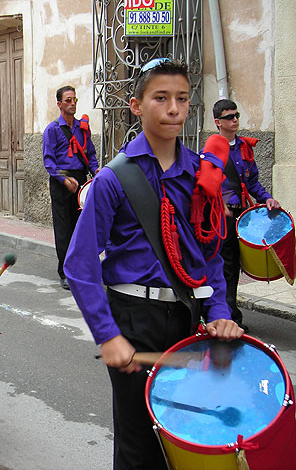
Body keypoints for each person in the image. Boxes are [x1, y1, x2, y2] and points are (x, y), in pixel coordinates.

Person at [64, 59, 244, 470]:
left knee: (185, 434)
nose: (174, 108)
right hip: (133, 317)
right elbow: (80, 264)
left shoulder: (201, 175)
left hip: (187, 317)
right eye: (160, 98)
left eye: (181, 99)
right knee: (138, 446)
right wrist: (108, 335)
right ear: (137, 105)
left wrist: (219, 313)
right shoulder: (112, 179)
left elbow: (210, 256)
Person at [213, 99, 280, 331]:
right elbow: (209, 184)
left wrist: (267, 198)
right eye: (229, 117)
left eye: (236, 115)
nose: (235, 120)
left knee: (237, 264)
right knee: (226, 266)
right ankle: (228, 316)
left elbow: (252, 182)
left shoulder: (244, 147)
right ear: (217, 122)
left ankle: (229, 312)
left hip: (243, 214)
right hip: (223, 215)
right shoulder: (212, 148)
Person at [42, 86, 99, 290]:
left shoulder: (82, 128)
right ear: (59, 104)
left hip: (80, 180)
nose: (72, 103)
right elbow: (49, 162)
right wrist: (64, 179)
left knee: (80, 228)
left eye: (74, 99)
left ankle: (80, 268)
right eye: (68, 100)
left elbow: (90, 155)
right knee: (64, 228)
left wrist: (97, 172)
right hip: (62, 182)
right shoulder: (52, 130)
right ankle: (64, 272)